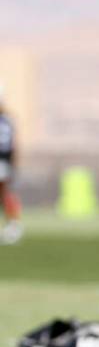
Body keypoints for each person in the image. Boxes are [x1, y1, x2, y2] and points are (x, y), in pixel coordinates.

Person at [0, 84, 23, 244]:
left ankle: (14, 225)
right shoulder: (8, 119)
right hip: (5, 161)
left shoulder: (5, 120)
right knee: (5, 193)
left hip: (2, 160)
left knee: (5, 193)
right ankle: (14, 225)